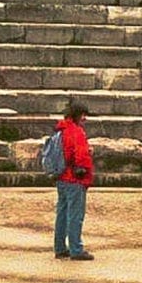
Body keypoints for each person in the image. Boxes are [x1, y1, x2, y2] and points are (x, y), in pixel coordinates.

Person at [54, 99, 95, 260]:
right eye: (83, 115)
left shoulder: (61, 130)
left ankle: (60, 247)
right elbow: (80, 156)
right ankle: (76, 249)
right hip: (74, 179)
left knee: (62, 214)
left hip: (61, 177)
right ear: (76, 115)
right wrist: (85, 172)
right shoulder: (76, 132)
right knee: (75, 216)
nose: (85, 118)